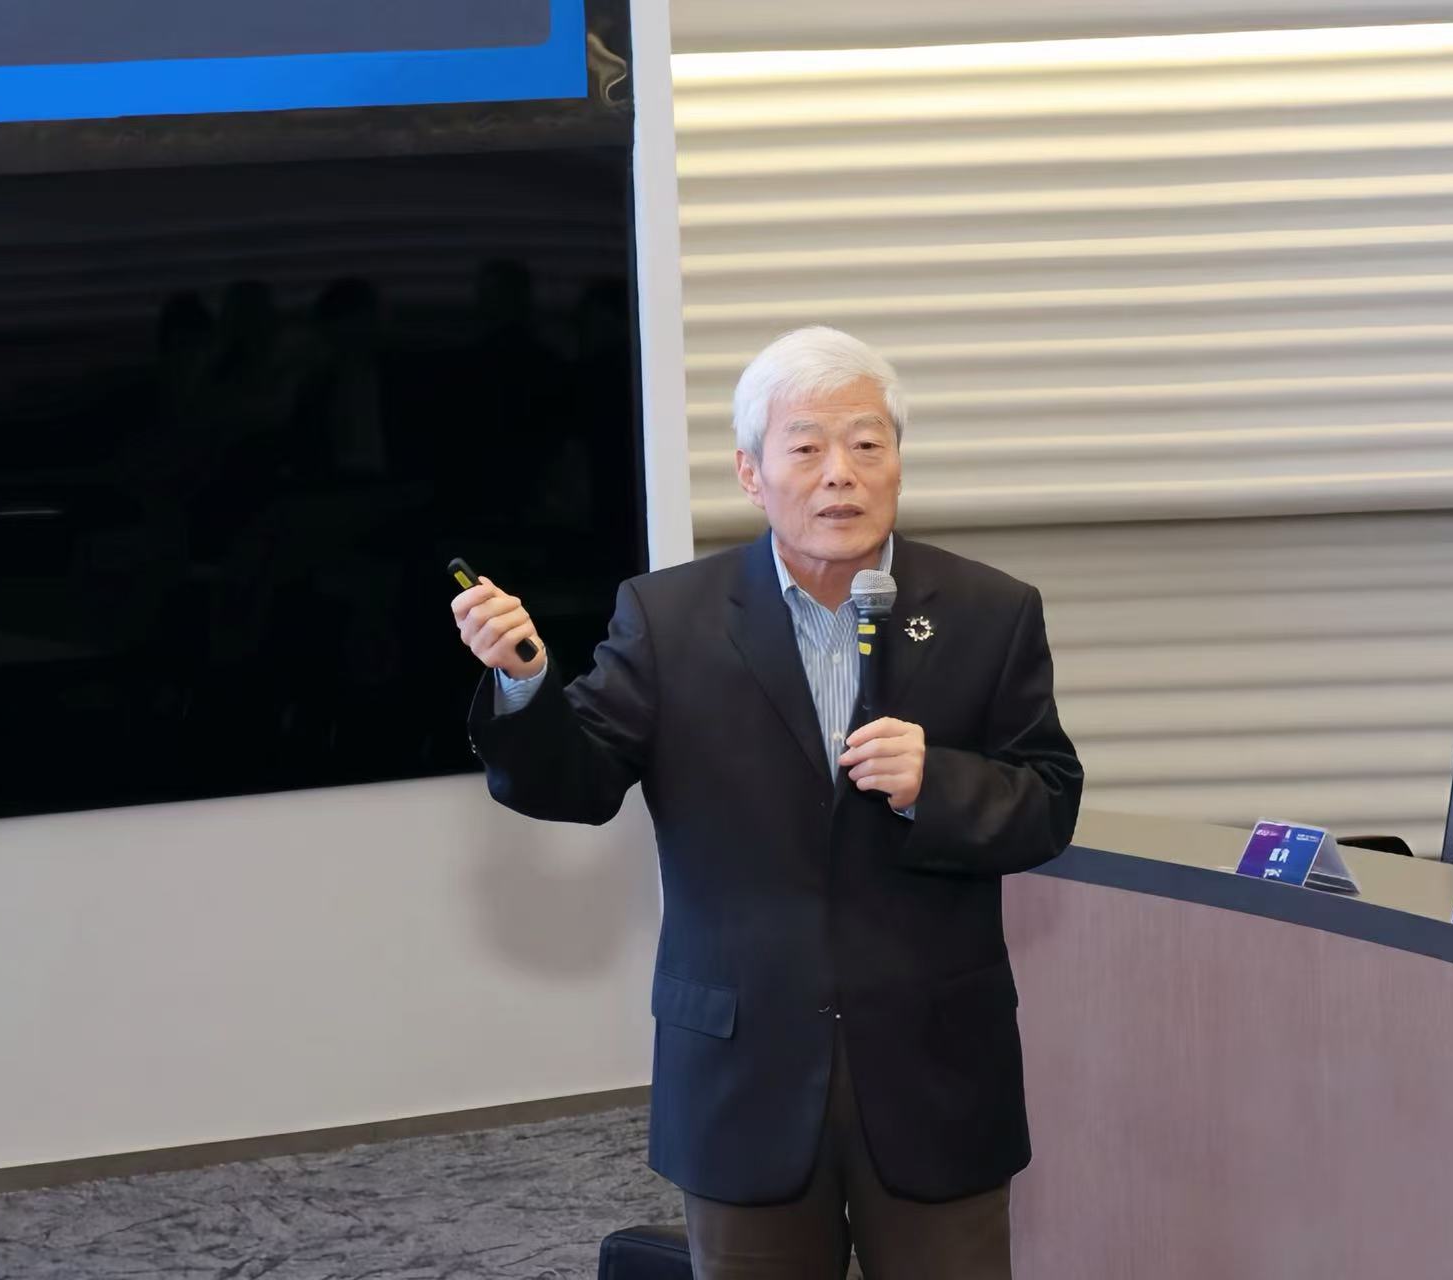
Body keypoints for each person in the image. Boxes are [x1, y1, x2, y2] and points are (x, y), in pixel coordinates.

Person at [451, 327, 1083, 1279]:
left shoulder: (991, 611)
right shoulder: (669, 618)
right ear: (752, 474)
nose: (840, 475)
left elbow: (1050, 799)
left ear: (899, 463)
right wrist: (525, 682)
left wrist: (939, 783)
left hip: (935, 1071)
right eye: (807, 447)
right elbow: (575, 784)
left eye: (866, 445)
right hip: (743, 1073)